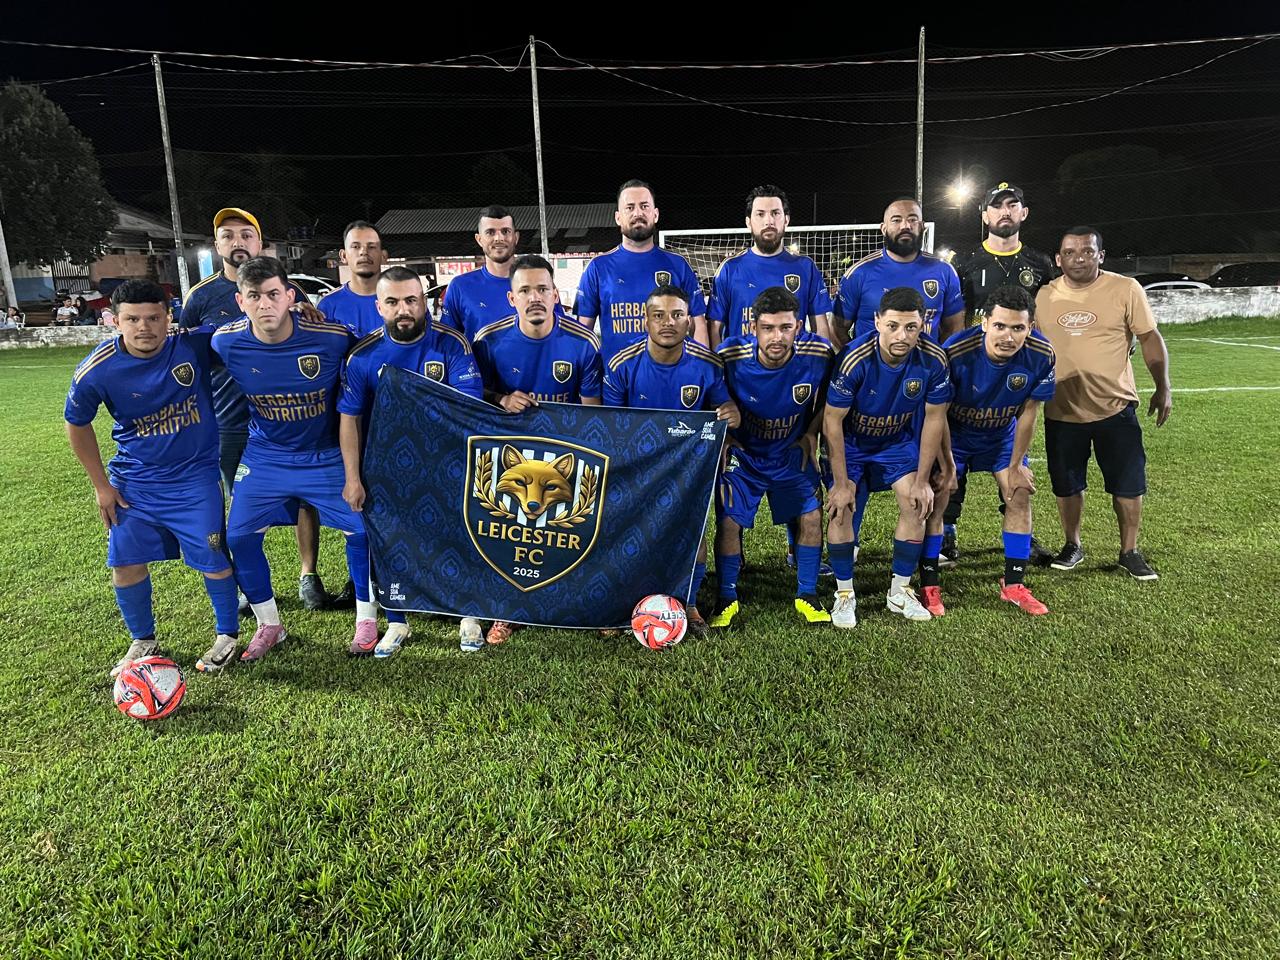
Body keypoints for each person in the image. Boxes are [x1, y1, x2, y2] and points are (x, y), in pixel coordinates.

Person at [63, 279, 240, 676]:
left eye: (153, 318)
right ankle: (143, 640)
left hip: (195, 480)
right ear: (114, 321)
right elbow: (76, 423)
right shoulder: (97, 369)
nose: (144, 327)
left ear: (168, 317)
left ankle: (227, 634)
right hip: (134, 484)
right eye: (132, 319)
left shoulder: (192, 345)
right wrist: (101, 486)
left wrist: (298, 311)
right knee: (125, 562)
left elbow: (248, 330)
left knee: (213, 557)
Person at [211, 256, 379, 660]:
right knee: (238, 537)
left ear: (290, 296)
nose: (265, 304)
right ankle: (270, 625)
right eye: (254, 296)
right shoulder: (224, 341)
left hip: (325, 455)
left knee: (361, 531)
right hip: (266, 456)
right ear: (240, 302)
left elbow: (376, 351)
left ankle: (367, 619)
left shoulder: (331, 336)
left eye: (273, 294)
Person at [179, 208, 333, 611]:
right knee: (241, 502)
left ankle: (308, 575)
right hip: (231, 418)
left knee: (306, 499)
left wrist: (308, 313)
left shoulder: (287, 290)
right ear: (217, 245)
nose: (238, 242)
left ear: (260, 243)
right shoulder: (200, 297)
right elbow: (189, 355)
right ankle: (248, 586)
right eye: (228, 235)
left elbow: (312, 338)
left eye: (246, 234)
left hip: (289, 418)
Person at [338, 266, 484, 655]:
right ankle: (396, 621)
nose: (403, 309)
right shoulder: (362, 356)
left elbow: (468, 409)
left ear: (424, 303)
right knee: (388, 542)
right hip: (385, 469)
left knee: (459, 535)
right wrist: (352, 477)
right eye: (393, 302)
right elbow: (349, 419)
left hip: (446, 460)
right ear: (379, 306)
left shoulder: (453, 345)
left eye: (411, 300)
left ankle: (468, 614)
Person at [473, 254, 603, 645]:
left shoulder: (583, 344)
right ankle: (507, 609)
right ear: (511, 298)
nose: (535, 297)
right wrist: (500, 399)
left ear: (555, 295)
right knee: (507, 534)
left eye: (542, 289)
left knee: (577, 531)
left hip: (566, 456)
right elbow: (472, 398)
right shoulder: (488, 341)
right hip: (509, 458)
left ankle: (586, 605)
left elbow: (593, 414)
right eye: (525, 290)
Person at [1035, 227, 1172, 580]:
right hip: (1062, 410)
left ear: (1101, 255)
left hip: (1115, 407)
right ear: (1058, 259)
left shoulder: (1125, 288)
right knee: (1066, 484)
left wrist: (1163, 386)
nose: (1078, 258)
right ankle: (1072, 544)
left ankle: (1129, 551)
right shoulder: (1043, 296)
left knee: (1128, 483)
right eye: (1069, 252)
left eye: (1087, 251)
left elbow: (1149, 337)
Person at [603, 284, 740, 635]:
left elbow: (725, 409)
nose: (668, 322)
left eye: (677, 315)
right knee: (629, 535)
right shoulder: (622, 365)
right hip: (634, 467)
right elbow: (610, 427)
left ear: (689, 321)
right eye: (659, 315)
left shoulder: (707, 365)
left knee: (693, 531)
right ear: (645, 321)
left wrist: (730, 413)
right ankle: (621, 605)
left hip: (686, 469)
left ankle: (689, 604)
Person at [922, 285, 1056, 617]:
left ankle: (1014, 584)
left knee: (1019, 492)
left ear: (1030, 327)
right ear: (984, 323)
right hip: (956, 436)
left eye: (1018, 328)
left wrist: (1017, 464)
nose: (1008, 336)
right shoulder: (954, 351)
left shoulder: (1042, 353)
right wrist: (947, 464)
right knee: (939, 497)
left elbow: (1029, 413)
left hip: (1000, 436)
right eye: (999, 326)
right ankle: (929, 583)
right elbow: (938, 414)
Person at [822, 286, 952, 627]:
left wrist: (922, 480)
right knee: (841, 508)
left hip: (896, 443)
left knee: (916, 503)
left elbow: (934, 419)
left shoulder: (934, 359)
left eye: (911, 327)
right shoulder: (854, 359)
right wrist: (840, 483)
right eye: (893, 326)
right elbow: (832, 421)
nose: (901, 336)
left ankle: (900, 590)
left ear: (923, 324)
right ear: (877, 321)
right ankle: (844, 594)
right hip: (852, 444)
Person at [944, 182, 1058, 567]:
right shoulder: (965, 262)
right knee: (954, 455)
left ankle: (1022, 534)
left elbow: (1049, 315)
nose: (1004, 212)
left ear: (1023, 213)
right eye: (997, 206)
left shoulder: (1040, 263)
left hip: (1019, 371)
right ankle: (946, 531)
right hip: (974, 371)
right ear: (985, 215)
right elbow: (956, 319)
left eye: (1012, 205)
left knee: (1012, 458)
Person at [711, 286, 834, 627]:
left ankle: (807, 594)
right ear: (753, 328)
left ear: (799, 327)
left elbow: (831, 400)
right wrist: (725, 434)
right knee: (729, 521)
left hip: (789, 453)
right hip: (745, 455)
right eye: (768, 328)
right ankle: (726, 597)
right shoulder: (728, 356)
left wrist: (811, 432)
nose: (777, 337)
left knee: (812, 516)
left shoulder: (819, 353)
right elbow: (711, 395)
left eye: (785, 328)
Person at [575, 179, 707, 361]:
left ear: (655, 214)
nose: (638, 213)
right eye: (629, 208)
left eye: (644, 206)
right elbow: (583, 333)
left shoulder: (678, 265)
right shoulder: (597, 267)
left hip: (670, 374)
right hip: (615, 376)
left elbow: (698, 325)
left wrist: (701, 368)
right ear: (618, 218)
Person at [708, 185, 834, 347]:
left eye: (775, 213)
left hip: (794, 362)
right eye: (760, 214)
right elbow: (714, 329)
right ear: (748, 222)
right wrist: (720, 362)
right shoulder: (729, 269)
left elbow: (820, 327)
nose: (769, 221)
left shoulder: (806, 268)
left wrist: (823, 359)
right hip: (742, 362)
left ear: (786, 219)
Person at [834, 197, 965, 343]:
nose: (905, 226)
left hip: (927, 358)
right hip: (871, 358)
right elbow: (837, 329)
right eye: (896, 220)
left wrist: (938, 355)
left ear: (922, 226)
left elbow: (955, 328)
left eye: (913, 219)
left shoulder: (944, 271)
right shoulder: (859, 273)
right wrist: (858, 356)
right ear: (884, 229)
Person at [317, 220, 386, 336]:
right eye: (355, 246)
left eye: (371, 247)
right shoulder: (328, 305)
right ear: (343, 256)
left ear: (383, 256)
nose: (363, 252)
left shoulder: (403, 301)